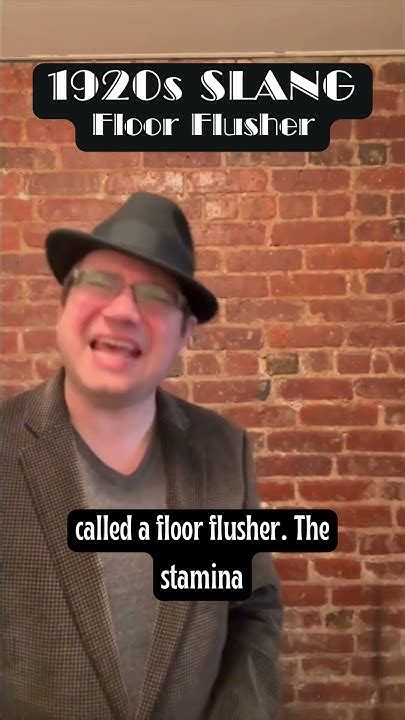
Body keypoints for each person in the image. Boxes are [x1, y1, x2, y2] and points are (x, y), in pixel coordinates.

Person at [0, 191, 283, 720]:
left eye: (155, 295)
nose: (123, 311)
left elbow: (252, 612)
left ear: (186, 333)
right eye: (100, 282)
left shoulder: (225, 452)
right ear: (64, 304)